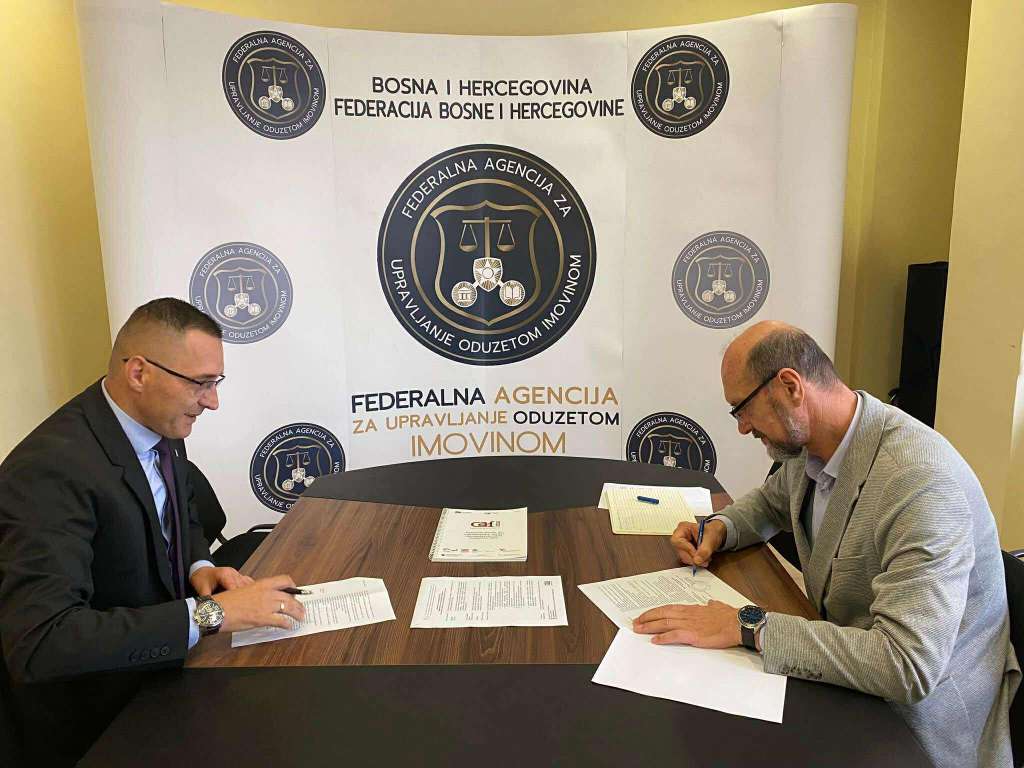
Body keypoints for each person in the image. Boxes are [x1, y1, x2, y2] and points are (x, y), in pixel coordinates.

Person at [633, 321, 1019, 768]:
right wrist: (719, 527)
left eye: (742, 409)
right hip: (850, 682)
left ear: (790, 386)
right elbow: (772, 503)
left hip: (917, 730)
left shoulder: (920, 482)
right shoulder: (816, 443)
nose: (743, 427)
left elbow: (906, 665)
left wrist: (748, 626)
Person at [0, 298, 306, 766]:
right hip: (101, 718)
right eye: (200, 383)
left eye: (216, 383)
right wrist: (211, 614)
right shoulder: (49, 471)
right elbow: (44, 643)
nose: (212, 401)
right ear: (139, 373)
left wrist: (200, 566)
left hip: (166, 669)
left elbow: (183, 514)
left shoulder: (160, 427)